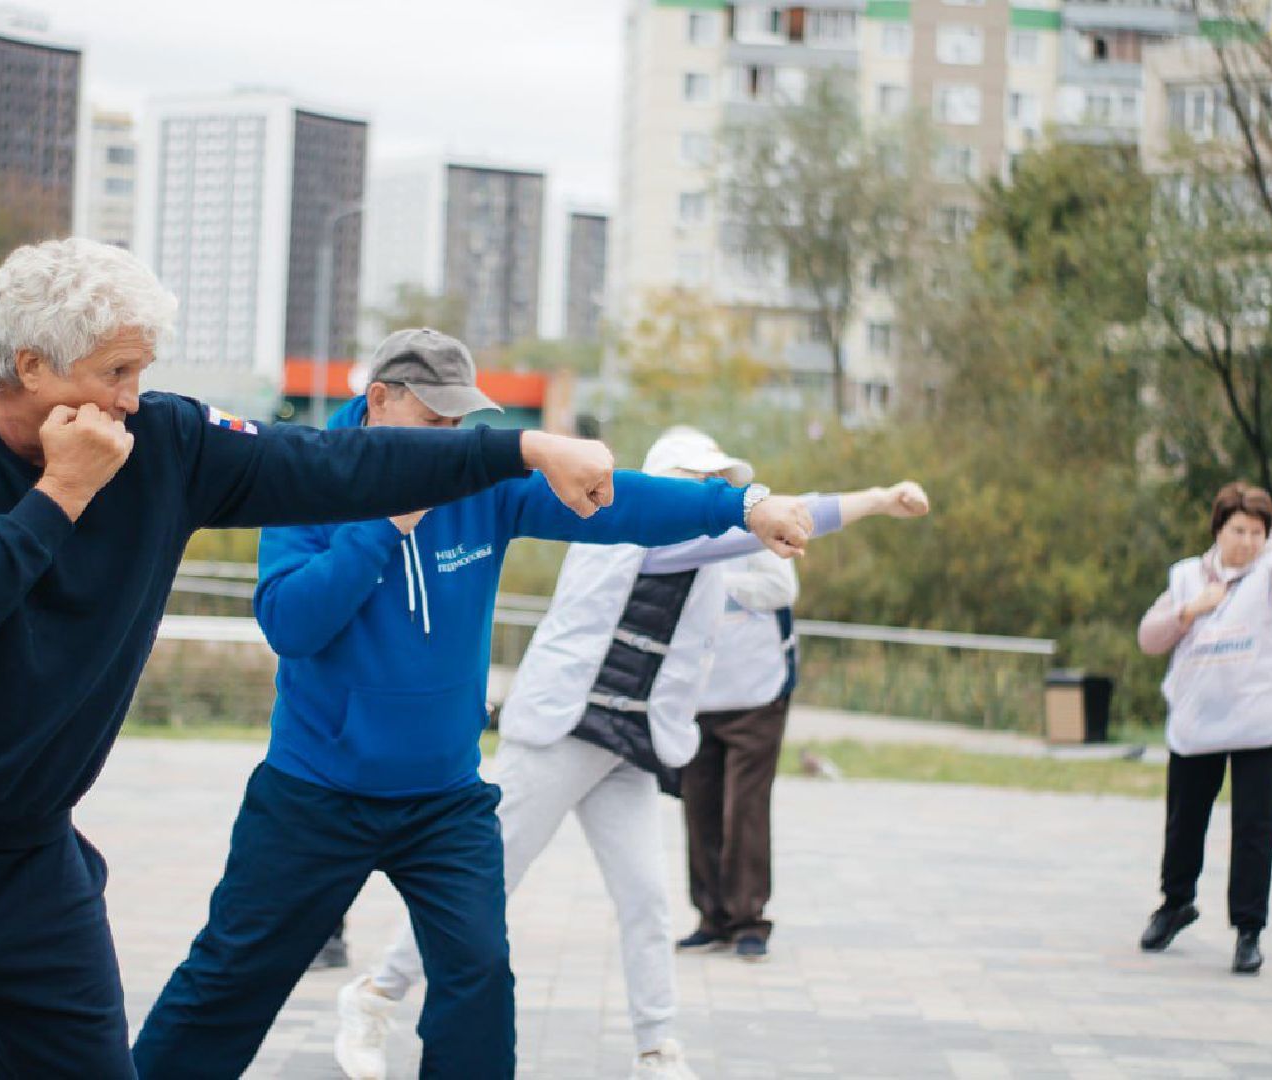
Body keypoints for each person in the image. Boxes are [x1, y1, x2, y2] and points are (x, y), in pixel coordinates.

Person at [0, 241, 620, 1078]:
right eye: (115, 372)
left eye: (140, 372)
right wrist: (63, 491)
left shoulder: (166, 443)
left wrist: (522, 450)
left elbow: (335, 465)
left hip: (29, 865)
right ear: (31, 365)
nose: (130, 399)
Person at [132, 334, 818, 1080]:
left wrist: (742, 507)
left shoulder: (475, 484)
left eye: (459, 427)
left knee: (479, 978)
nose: (450, 444)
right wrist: (382, 523)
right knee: (231, 978)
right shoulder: (306, 477)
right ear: (380, 400)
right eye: (435, 425)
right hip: (315, 792)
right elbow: (290, 626)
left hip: (443, 800)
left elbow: (619, 503)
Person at [338, 427, 929, 1080]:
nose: (708, 492)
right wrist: (873, 498)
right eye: (694, 480)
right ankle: (375, 996)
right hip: (563, 733)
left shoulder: (707, 555)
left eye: (715, 481)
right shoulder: (629, 529)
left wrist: (863, 502)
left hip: (629, 746)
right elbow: (776, 516)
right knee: (479, 886)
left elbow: (779, 539)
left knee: (645, 902)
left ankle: (656, 1051)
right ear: (657, 481)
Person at [1135, 481, 1272, 975]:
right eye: (1237, 530)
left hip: (1258, 722)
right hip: (1199, 722)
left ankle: (1248, 930)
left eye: (1257, 532)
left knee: (1253, 827)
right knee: (1184, 821)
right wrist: (1188, 612)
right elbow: (1148, 638)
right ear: (1219, 529)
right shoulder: (1186, 577)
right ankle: (1175, 902)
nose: (1246, 541)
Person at [676, 547, 800, 962]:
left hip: (757, 692)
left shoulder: (757, 525)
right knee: (699, 806)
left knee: (744, 808)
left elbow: (781, 588)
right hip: (696, 694)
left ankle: (748, 920)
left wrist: (714, 583)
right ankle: (712, 919)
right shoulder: (678, 530)